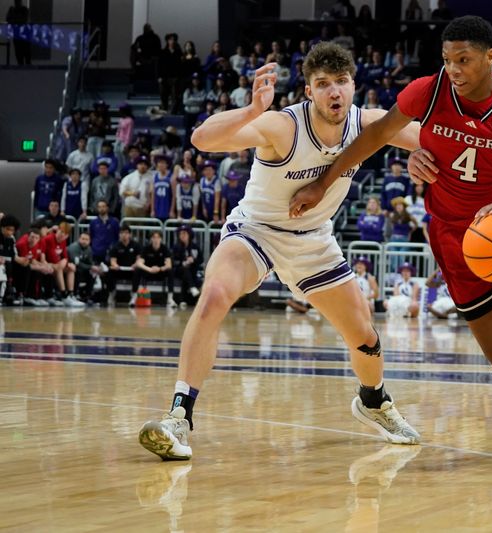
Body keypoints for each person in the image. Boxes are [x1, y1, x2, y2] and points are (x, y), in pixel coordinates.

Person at [289, 16, 492, 485]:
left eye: (463, 59)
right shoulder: (429, 91)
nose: (454, 69)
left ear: (491, 57)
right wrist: (325, 182)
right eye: (447, 60)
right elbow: (376, 134)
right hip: (448, 235)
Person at [138, 43, 423, 462]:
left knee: (364, 335)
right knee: (215, 295)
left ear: (353, 86)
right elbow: (202, 139)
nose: (334, 92)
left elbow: (435, 141)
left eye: (341, 82)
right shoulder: (283, 126)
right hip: (256, 231)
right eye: (323, 84)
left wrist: (424, 158)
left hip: (313, 240)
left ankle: (374, 401)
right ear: (309, 91)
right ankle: (179, 417)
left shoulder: (370, 124)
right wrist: (251, 111)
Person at [40, 222, 85, 307]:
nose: (62, 235)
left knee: (71, 268)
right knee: (59, 268)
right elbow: (42, 257)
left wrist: (67, 263)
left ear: (67, 236)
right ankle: (63, 295)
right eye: (61, 232)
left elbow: (65, 257)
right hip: (47, 264)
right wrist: (48, 265)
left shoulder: (63, 242)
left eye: (65, 234)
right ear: (57, 231)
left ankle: (71, 294)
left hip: (57, 265)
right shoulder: (47, 239)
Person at [134, 231, 176, 308]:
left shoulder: (164, 248)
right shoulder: (146, 248)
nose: (156, 239)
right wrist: (149, 269)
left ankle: (170, 298)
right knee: (137, 270)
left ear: (161, 239)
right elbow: (139, 263)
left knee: (170, 271)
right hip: (149, 272)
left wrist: (159, 268)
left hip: (160, 272)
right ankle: (133, 298)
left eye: (158, 237)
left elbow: (169, 265)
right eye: (154, 237)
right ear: (151, 239)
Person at [107, 224, 141, 306]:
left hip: (131, 270)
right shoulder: (115, 246)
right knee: (110, 271)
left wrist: (136, 264)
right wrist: (115, 265)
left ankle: (133, 295)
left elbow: (139, 259)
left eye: (126, 233)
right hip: (120, 270)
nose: (124, 235)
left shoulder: (136, 245)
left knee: (138, 271)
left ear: (130, 234)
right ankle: (112, 293)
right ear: (119, 234)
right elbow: (113, 260)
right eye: (122, 233)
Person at [171, 224, 203, 307]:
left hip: (192, 271)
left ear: (189, 235)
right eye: (181, 234)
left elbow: (201, 259)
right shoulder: (176, 247)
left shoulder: (195, 247)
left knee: (187, 275)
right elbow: (173, 261)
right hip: (178, 270)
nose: (182, 235)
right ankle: (192, 288)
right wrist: (183, 262)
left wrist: (193, 260)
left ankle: (182, 301)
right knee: (185, 270)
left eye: (184, 233)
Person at [67, 232, 101, 303]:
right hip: (70, 268)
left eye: (86, 239)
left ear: (89, 241)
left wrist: (95, 268)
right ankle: (74, 294)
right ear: (79, 239)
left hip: (82, 269)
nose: (84, 241)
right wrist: (91, 267)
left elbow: (90, 262)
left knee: (92, 273)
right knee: (78, 270)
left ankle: (88, 295)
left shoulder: (89, 249)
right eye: (83, 239)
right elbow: (77, 263)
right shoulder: (74, 248)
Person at [5, 0, 31, 65]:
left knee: (26, 54)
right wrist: (17, 20)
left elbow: (24, 20)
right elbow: (8, 19)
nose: (17, 3)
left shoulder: (23, 9)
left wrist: (14, 20)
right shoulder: (13, 10)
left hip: (23, 35)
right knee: (20, 55)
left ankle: (25, 68)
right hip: (19, 35)